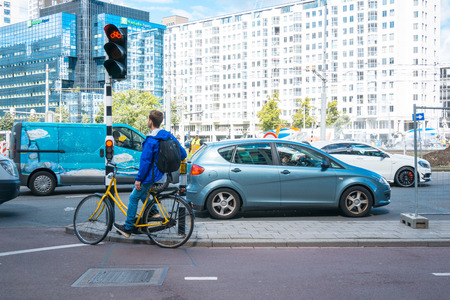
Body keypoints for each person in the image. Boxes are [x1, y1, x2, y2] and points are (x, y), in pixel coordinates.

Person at [113, 110, 187, 238]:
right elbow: (183, 154)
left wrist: (139, 179)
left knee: (133, 196)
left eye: (148, 120)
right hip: (165, 177)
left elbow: (146, 162)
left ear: (151, 121)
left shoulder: (151, 140)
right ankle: (153, 212)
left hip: (154, 177)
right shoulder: (168, 136)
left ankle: (128, 227)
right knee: (142, 192)